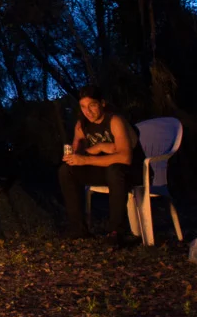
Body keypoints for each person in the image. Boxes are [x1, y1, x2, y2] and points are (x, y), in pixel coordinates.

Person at [57, 85, 143, 245]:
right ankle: (78, 229)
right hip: (104, 170)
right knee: (66, 170)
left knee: (115, 170)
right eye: (83, 107)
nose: (87, 112)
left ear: (102, 103)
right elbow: (80, 154)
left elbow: (125, 158)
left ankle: (116, 231)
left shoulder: (115, 120)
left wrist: (88, 158)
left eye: (92, 106)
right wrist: (90, 150)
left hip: (132, 173)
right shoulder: (82, 124)